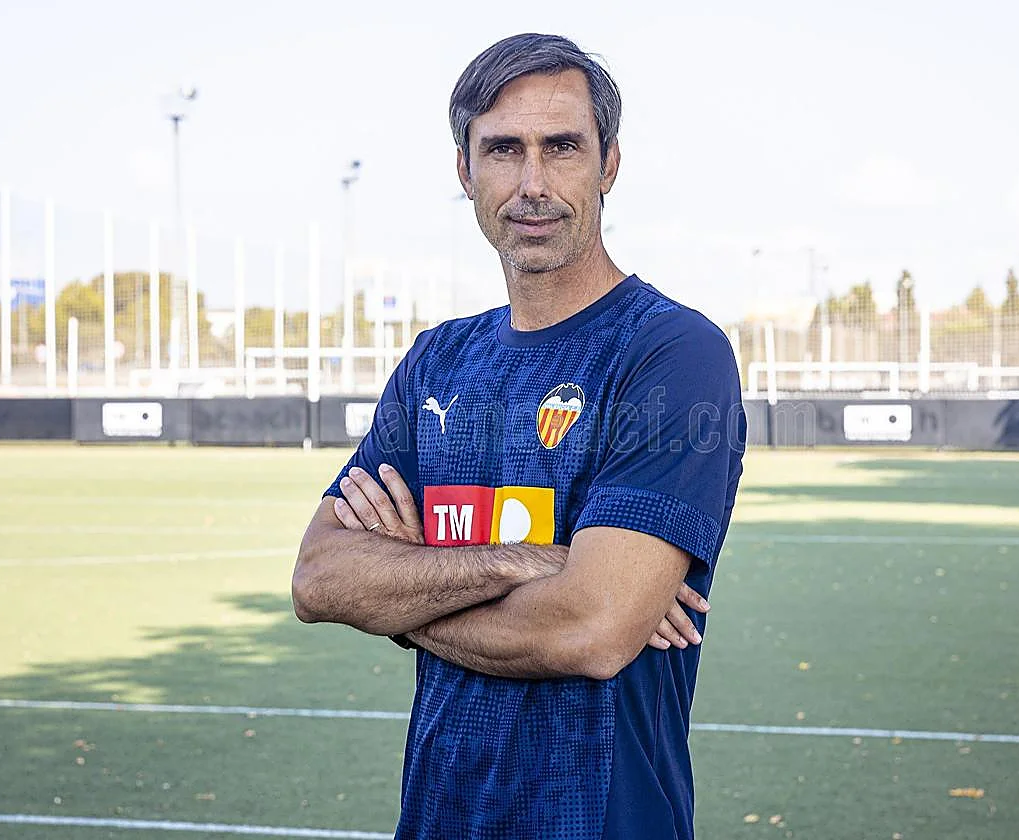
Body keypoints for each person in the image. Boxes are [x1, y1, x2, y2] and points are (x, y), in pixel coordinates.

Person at [292, 32, 745, 840]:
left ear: (609, 164)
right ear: (465, 172)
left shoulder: (670, 352)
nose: (532, 183)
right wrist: (529, 561)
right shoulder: (437, 360)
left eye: (562, 147)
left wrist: (399, 595)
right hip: (439, 817)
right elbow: (321, 579)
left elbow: (593, 628)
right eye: (503, 149)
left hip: (603, 820)